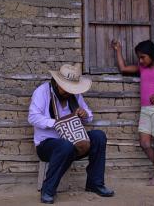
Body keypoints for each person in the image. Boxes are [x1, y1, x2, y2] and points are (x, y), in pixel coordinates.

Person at [28, 64, 115, 204]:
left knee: (99, 136)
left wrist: (84, 114)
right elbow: (32, 117)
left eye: (71, 88)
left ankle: (95, 183)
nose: (69, 92)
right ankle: (48, 190)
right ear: (56, 83)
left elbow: (89, 116)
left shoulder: (74, 94)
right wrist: (56, 123)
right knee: (65, 145)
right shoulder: (42, 92)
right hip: (47, 145)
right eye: (66, 88)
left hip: (74, 142)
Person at [111, 39, 154, 186]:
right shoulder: (142, 68)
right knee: (144, 143)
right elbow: (123, 68)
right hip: (145, 110)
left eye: (143, 57)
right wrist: (118, 50)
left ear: (152, 55)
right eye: (139, 57)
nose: (140, 60)